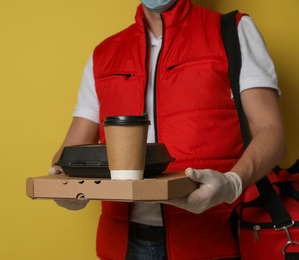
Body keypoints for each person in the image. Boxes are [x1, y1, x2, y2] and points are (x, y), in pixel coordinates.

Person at [48, 0, 287, 259]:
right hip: (123, 245)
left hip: (213, 240)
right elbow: (70, 152)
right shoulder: (104, 54)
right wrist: (63, 184)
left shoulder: (233, 30)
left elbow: (271, 131)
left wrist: (232, 183)